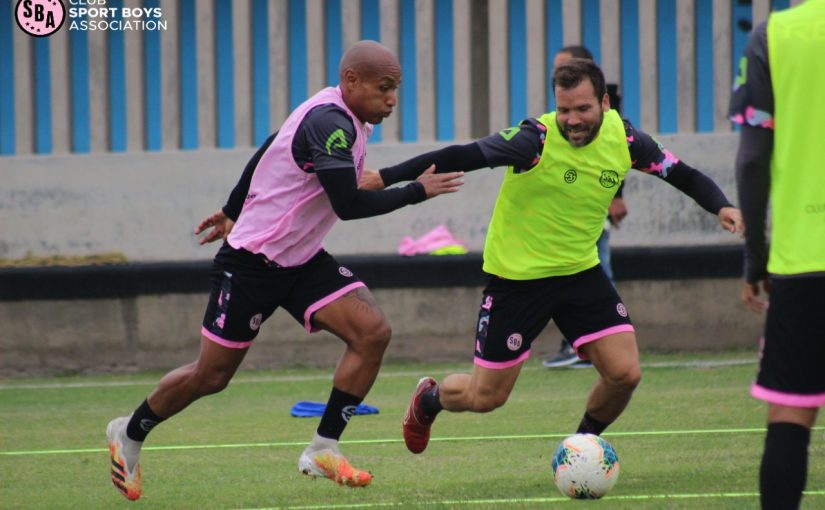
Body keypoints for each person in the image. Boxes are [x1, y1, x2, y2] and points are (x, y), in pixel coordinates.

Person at [105, 40, 465, 500]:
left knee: (372, 332)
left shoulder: (341, 113)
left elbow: (271, 146)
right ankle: (129, 433)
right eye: (385, 88)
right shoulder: (332, 122)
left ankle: (323, 448)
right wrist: (418, 191)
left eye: (396, 89)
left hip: (301, 258)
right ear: (352, 81)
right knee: (211, 376)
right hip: (252, 262)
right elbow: (351, 203)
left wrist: (232, 206)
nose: (392, 99)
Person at [363, 58, 742, 456]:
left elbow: (683, 174)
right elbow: (462, 154)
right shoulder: (535, 140)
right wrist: (385, 177)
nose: (573, 120)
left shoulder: (628, 141)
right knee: (486, 396)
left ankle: (581, 449)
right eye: (564, 110)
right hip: (517, 279)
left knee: (624, 374)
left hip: (580, 272)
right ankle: (429, 400)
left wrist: (722, 206)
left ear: (605, 103)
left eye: (583, 109)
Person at [729, 2, 825, 508]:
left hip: (803, 259)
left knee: (791, 416)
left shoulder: (776, 35)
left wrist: (754, 256)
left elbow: (751, 159)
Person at [542, 45, 627, 369]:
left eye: (564, 66)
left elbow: (621, 152)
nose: (558, 74)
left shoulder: (609, 117)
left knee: (597, 270)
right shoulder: (564, 116)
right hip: (569, 211)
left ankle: (591, 342)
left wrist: (616, 196)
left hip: (592, 209)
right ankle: (582, 343)